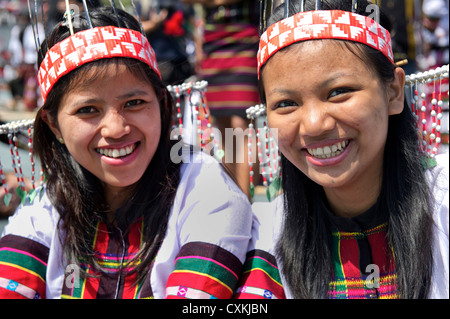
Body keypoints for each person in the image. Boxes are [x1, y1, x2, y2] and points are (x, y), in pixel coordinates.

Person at [0, 6, 252, 299]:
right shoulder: (46, 205)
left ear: (161, 103)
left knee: (236, 126)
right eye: (88, 110)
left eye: (133, 103)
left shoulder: (205, 189)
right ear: (53, 124)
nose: (116, 129)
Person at [234, 0, 448, 299]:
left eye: (338, 92)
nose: (313, 125)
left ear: (394, 92)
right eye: (286, 104)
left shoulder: (444, 207)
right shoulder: (266, 233)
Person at [183, 0, 261, 199]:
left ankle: (245, 199)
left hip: (245, 41)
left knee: (241, 125)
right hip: (212, 44)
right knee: (222, 126)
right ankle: (233, 197)